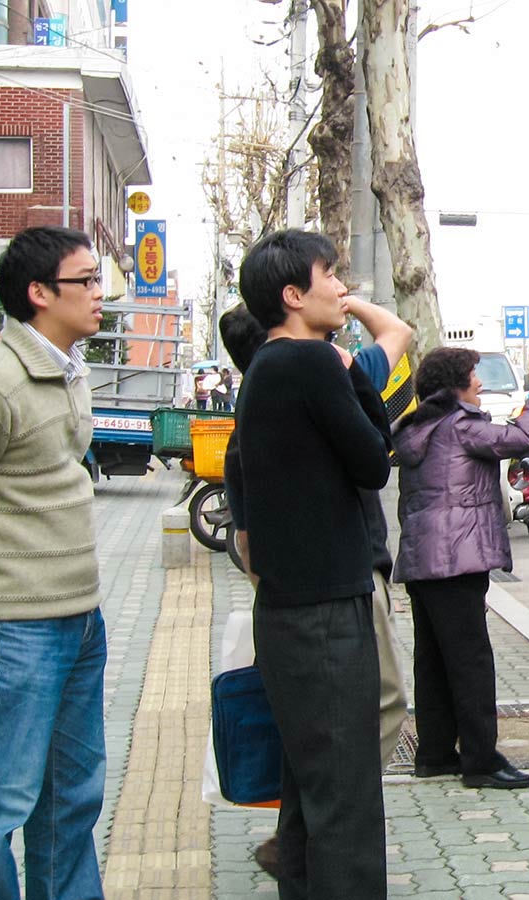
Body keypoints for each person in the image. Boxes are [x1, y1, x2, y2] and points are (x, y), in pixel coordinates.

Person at [220, 297, 414, 877]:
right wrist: (342, 311)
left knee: (319, 749)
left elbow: (248, 535)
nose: (338, 286)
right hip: (338, 594)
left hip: (306, 596)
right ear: (291, 301)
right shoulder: (319, 368)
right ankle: (324, 813)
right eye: (326, 275)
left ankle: (309, 826)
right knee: (362, 730)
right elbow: (376, 458)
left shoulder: (265, 391)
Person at [0, 226, 108, 898]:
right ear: (40, 292)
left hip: (80, 617)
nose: (99, 294)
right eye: (86, 281)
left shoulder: (71, 371)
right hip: (12, 628)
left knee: (72, 797)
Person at [392, 346, 529, 790]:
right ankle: (481, 761)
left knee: (432, 660)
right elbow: (521, 439)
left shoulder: (419, 428)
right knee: (471, 663)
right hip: (457, 561)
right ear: (454, 387)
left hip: (422, 560)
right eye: (473, 376)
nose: (480, 383)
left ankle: (435, 754)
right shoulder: (460, 426)